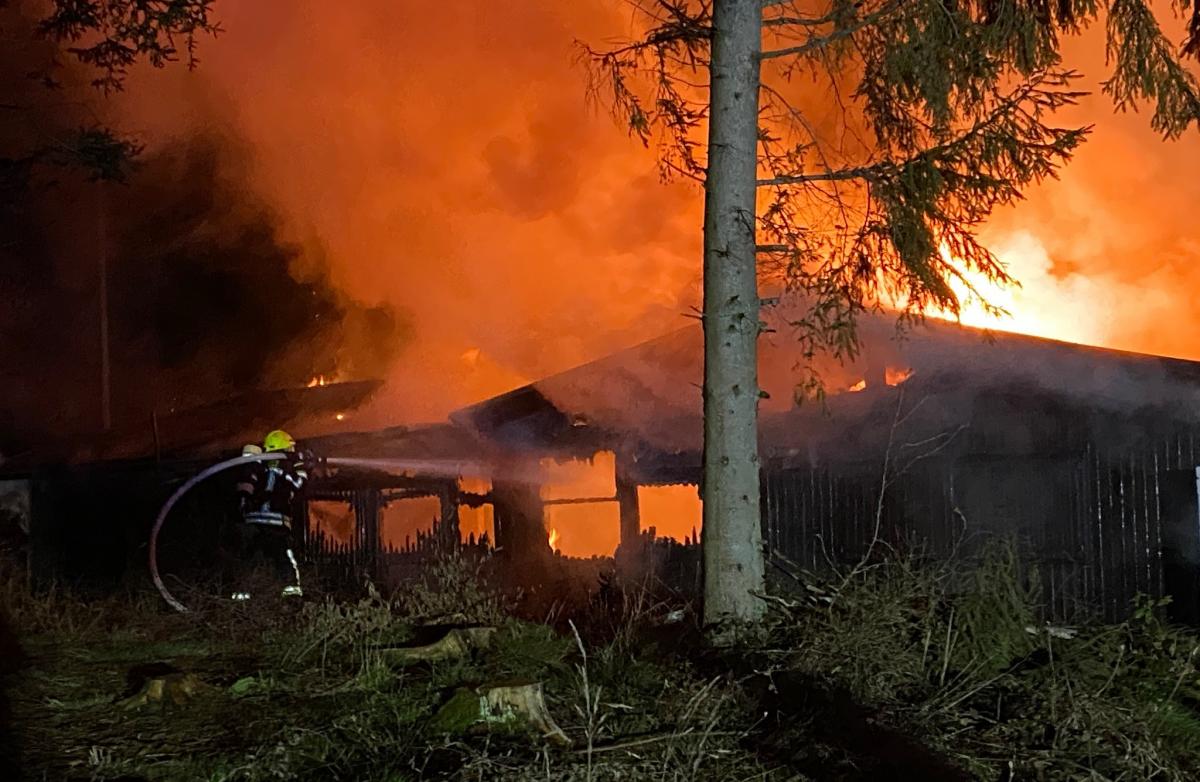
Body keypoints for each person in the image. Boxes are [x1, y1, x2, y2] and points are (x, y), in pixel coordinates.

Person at [231, 430, 309, 601]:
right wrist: (294, 467)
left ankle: (241, 594)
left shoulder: (257, 465)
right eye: (290, 448)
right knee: (283, 556)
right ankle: (291, 592)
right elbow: (299, 485)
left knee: (248, 557)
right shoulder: (280, 466)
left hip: (252, 521)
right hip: (275, 522)